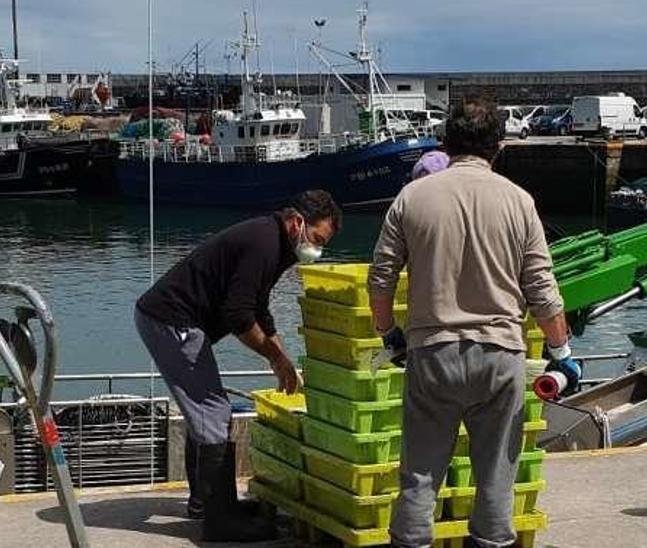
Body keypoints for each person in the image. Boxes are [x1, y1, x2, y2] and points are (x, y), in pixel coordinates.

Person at [369, 100, 574, 548]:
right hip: (501, 357)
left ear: (446, 143)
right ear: (498, 147)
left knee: (420, 476)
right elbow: (541, 288)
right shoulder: (519, 202)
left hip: (432, 352)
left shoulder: (412, 197)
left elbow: (380, 280)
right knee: (497, 477)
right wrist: (561, 352)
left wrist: (390, 335)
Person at [135, 190, 342, 542]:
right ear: (297, 223)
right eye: (317, 239)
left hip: (177, 320)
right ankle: (219, 520)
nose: (317, 249)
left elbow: (258, 308)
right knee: (213, 412)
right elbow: (237, 315)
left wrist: (283, 358)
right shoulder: (263, 242)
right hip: (170, 321)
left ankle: (210, 503)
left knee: (205, 412)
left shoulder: (277, 244)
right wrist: (274, 357)